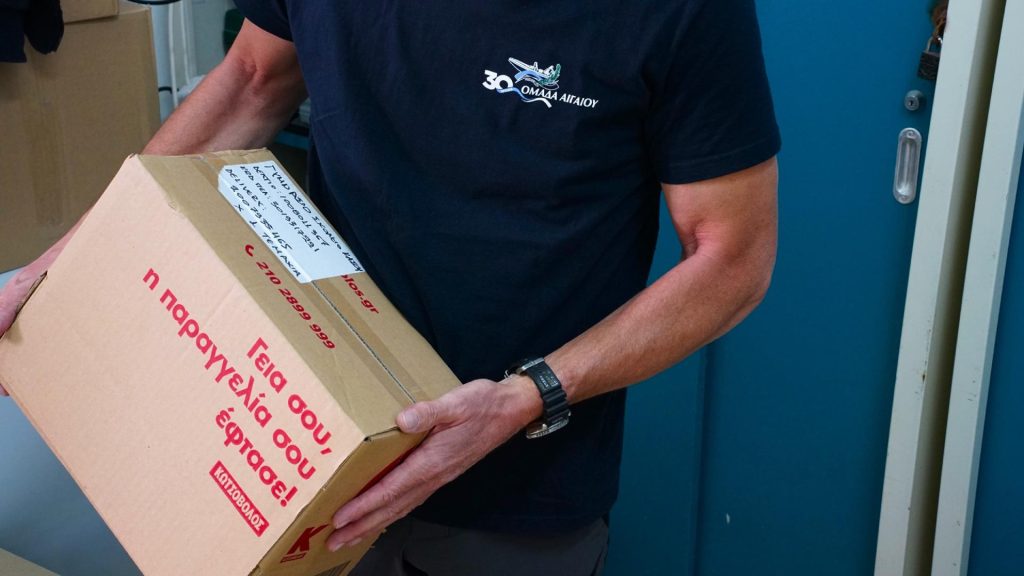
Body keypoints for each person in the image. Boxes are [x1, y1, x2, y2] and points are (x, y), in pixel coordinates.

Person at [0, 0, 780, 573]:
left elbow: (731, 260)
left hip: (514, 487)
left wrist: (527, 396)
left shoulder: (681, 13)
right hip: (308, 445)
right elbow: (250, 80)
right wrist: (60, 268)